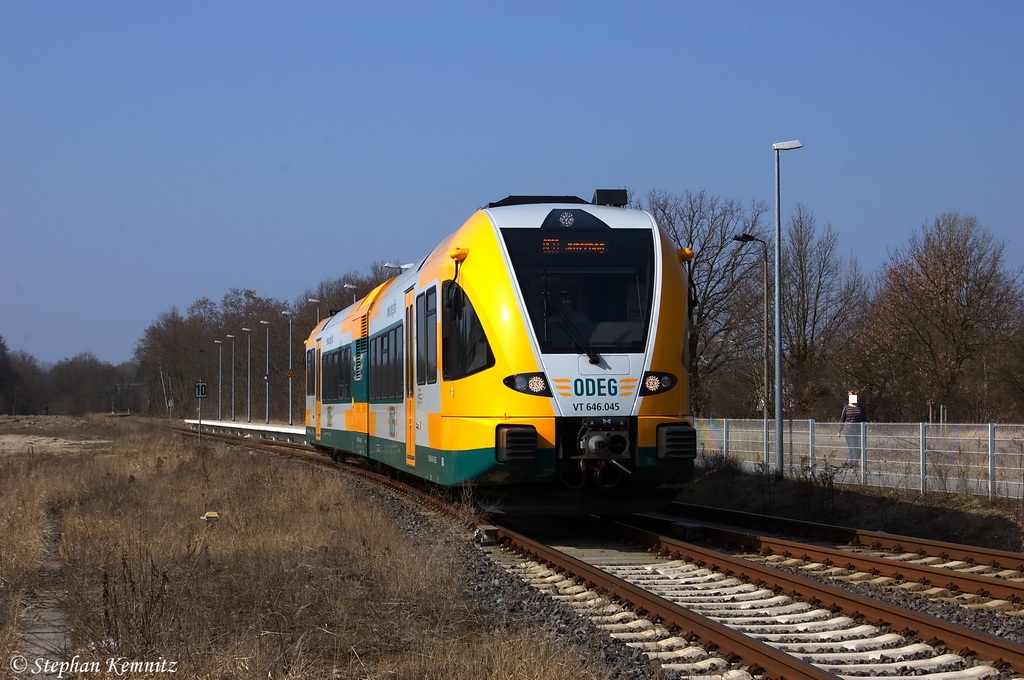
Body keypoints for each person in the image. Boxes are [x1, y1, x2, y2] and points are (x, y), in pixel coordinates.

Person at [839, 392, 865, 466]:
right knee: (852, 447)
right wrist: (839, 431)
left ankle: (854, 462)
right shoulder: (846, 407)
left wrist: (866, 428)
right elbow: (842, 419)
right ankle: (853, 463)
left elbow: (864, 418)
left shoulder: (860, 407)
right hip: (849, 430)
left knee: (859, 447)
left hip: (859, 430)